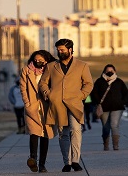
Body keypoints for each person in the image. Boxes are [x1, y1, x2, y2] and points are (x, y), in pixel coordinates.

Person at [38, 39, 93, 173]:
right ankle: (67, 162)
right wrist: (48, 94)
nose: (60, 52)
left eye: (62, 50)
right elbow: (43, 83)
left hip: (75, 103)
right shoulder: (51, 66)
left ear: (70, 50)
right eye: (58, 50)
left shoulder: (82, 65)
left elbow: (88, 84)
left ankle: (75, 161)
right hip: (57, 104)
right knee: (63, 133)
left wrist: (81, 96)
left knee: (76, 129)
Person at [20, 50, 57, 173]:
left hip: (46, 107)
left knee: (45, 135)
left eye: (40, 60)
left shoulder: (50, 70)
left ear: (46, 60)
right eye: (35, 60)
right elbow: (23, 88)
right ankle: (33, 159)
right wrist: (27, 103)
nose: (37, 62)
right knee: (34, 133)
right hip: (32, 106)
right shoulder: (26, 70)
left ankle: (42, 164)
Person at [91, 64, 128, 151]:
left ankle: (116, 145)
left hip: (117, 107)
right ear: (104, 71)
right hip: (104, 108)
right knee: (105, 126)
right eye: (107, 71)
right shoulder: (99, 81)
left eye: (111, 71)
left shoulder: (119, 81)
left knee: (114, 125)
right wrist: (98, 102)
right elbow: (94, 93)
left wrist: (122, 102)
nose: (109, 72)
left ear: (115, 72)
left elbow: (126, 93)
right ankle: (106, 145)